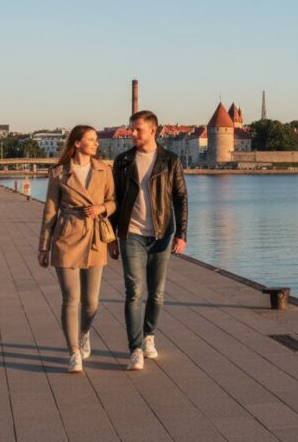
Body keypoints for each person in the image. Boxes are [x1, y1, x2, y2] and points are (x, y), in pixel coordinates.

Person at [111, 110, 188, 371]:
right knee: (134, 291)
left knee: (157, 293)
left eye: (137, 129)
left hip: (161, 234)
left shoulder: (170, 160)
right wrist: (111, 237)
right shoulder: (122, 161)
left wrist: (182, 234)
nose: (131, 133)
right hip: (131, 233)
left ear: (153, 131)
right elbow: (114, 200)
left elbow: (180, 198)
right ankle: (135, 349)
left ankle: (148, 336)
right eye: (131, 128)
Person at [38, 125, 118, 373]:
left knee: (91, 302)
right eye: (91, 139)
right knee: (71, 299)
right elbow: (50, 210)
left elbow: (114, 201)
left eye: (96, 140)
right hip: (67, 236)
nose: (96, 143)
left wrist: (101, 209)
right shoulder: (59, 173)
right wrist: (44, 246)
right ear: (77, 143)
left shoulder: (104, 170)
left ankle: (84, 332)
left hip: (95, 237)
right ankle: (73, 352)